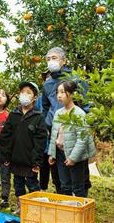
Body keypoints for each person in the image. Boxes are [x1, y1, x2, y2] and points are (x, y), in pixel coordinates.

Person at [41, 47, 90, 194]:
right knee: (58, 172)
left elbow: (86, 104)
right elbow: (45, 107)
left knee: (79, 172)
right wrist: (47, 124)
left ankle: (81, 201)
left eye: (54, 58)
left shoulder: (76, 79)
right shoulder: (48, 84)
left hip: (74, 132)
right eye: (48, 59)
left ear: (64, 60)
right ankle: (64, 200)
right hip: (55, 132)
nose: (51, 61)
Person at [0, 81, 47, 215]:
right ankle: (21, 207)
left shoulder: (38, 118)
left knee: (32, 184)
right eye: (22, 92)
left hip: (30, 160)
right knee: (18, 184)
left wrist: (37, 161)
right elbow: (5, 137)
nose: (24, 95)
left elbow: (40, 142)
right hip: (15, 158)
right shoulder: (13, 115)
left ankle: (35, 208)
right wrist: (6, 156)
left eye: (28, 92)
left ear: (34, 98)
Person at [48, 80, 96, 198]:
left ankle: (81, 213)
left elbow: (82, 139)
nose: (59, 95)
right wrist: (52, 154)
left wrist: (73, 158)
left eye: (63, 92)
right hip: (60, 153)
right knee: (65, 185)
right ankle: (68, 212)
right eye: (57, 92)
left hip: (75, 156)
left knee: (78, 187)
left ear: (72, 94)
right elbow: (54, 135)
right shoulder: (58, 113)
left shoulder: (79, 114)